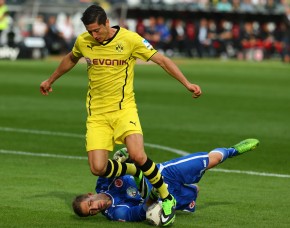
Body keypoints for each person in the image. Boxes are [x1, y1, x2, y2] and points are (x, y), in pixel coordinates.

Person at [39, 5, 202, 226]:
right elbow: (71, 58)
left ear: (107, 23)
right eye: (90, 31)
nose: (94, 36)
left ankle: (167, 197)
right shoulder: (83, 41)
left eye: (97, 30)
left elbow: (161, 60)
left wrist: (187, 83)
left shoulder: (130, 39)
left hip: (124, 109)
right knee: (97, 168)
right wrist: (50, 80)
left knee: (138, 154)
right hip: (96, 115)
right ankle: (131, 168)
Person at [72, 138, 260, 223]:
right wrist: (153, 197)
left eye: (90, 204)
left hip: (163, 173)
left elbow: (117, 161)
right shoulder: (115, 213)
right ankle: (187, 192)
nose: (95, 208)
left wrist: (122, 156)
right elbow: (142, 210)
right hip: (160, 196)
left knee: (213, 160)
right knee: (194, 191)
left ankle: (233, 150)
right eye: (92, 213)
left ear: (90, 195)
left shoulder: (104, 182)